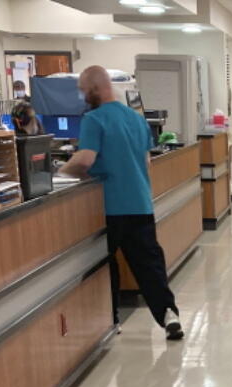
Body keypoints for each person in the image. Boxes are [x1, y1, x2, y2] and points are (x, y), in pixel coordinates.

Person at [60, 65, 183, 341]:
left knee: (106, 265)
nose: (82, 96)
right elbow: (146, 161)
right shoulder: (136, 118)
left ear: (94, 88)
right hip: (140, 203)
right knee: (150, 265)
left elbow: (85, 159)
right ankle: (169, 315)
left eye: (82, 90)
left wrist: (57, 173)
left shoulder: (94, 119)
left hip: (109, 207)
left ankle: (111, 319)